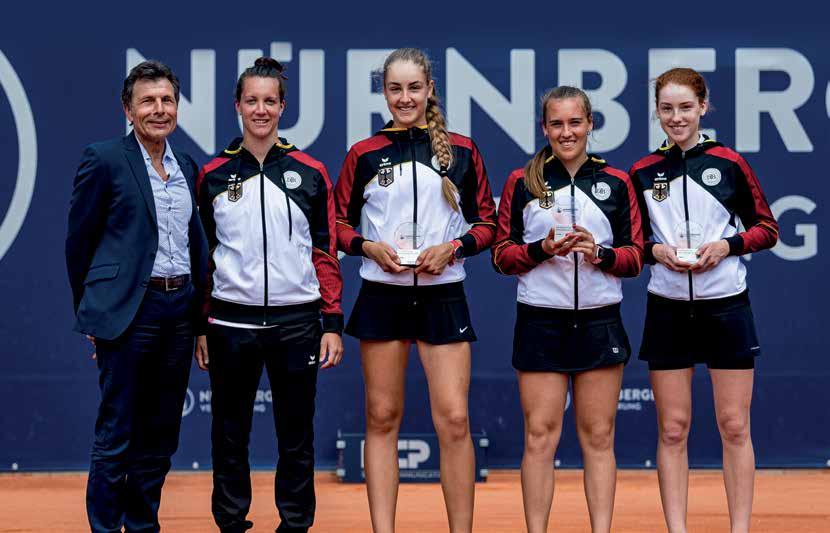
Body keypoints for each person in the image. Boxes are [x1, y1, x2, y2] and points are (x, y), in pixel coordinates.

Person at [334, 47, 496, 533]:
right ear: (384, 92)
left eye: (413, 88)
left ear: (429, 90)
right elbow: (336, 224)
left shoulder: (462, 151)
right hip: (382, 293)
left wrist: (454, 247)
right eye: (394, 89)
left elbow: (488, 224)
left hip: (442, 293)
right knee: (382, 417)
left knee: (454, 421)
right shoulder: (363, 153)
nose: (405, 98)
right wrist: (367, 246)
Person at [196, 57, 344, 533]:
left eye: (270, 101)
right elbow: (203, 255)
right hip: (229, 323)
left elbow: (325, 250)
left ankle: (295, 524)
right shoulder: (214, 174)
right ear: (237, 105)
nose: (261, 109)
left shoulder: (311, 171)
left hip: (296, 322)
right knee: (229, 433)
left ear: (282, 107)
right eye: (252, 100)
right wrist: (202, 323)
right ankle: (231, 522)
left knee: (296, 434)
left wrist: (332, 321)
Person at [630, 67, 779, 533]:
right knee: (673, 429)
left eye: (686, 108)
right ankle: (678, 529)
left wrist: (727, 246)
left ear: (703, 108)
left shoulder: (730, 162)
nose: (677, 118)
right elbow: (631, 243)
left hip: (725, 306)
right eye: (667, 109)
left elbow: (766, 229)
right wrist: (657, 251)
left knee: (734, 426)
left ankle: (739, 529)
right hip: (668, 307)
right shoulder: (642, 171)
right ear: (657, 112)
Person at [66, 60, 209, 532]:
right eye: (148, 101)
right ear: (128, 109)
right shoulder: (103, 158)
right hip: (130, 311)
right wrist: (95, 316)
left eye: (167, 100)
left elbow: (196, 244)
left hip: (179, 310)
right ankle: (106, 529)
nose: (159, 109)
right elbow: (79, 245)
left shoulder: (187, 165)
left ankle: (143, 525)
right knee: (117, 432)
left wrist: (200, 320)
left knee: (162, 433)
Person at [492, 86, 643, 533]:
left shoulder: (616, 182)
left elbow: (636, 256)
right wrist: (541, 249)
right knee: (540, 437)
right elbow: (501, 255)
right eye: (556, 123)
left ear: (590, 124)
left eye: (575, 122)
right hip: (542, 321)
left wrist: (601, 254)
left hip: (599, 321)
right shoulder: (523, 181)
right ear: (544, 128)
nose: (566, 132)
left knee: (599, 437)